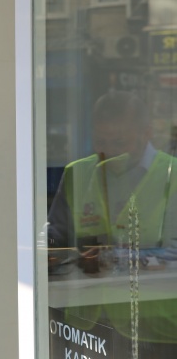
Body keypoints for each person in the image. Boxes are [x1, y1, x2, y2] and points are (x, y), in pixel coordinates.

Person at [45, 90, 177, 357]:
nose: (108, 151)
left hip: (155, 326)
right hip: (87, 325)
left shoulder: (172, 175)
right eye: (100, 141)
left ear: (146, 133)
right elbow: (57, 235)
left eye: (119, 142)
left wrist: (115, 256)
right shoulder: (77, 173)